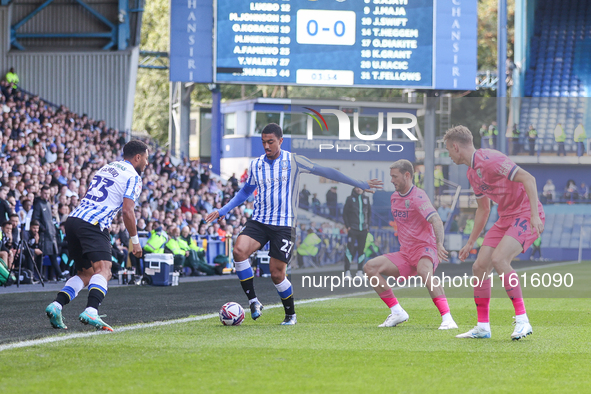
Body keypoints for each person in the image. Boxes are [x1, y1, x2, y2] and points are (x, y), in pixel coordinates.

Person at [205, 123, 382, 325]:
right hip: (260, 221)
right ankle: (254, 301)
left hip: (284, 225)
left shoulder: (294, 161)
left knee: (276, 273)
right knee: (238, 251)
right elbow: (245, 192)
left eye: (270, 142)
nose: (266, 146)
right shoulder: (256, 165)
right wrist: (222, 210)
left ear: (280, 141)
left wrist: (359, 183)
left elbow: (326, 171)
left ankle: (291, 315)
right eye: (263, 142)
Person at [444, 125, 544, 340]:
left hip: (526, 213)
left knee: (499, 259)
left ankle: (523, 321)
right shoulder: (472, 173)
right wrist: (471, 242)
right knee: (479, 266)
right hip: (506, 217)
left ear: (455, 147)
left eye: (448, 150)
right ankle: (482, 327)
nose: (449, 155)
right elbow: (484, 209)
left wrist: (535, 215)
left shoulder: (490, 159)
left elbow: (529, 178)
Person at [45, 140, 147, 331]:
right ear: (138, 157)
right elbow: (127, 211)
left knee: (85, 274)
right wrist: (135, 241)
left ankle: (56, 305)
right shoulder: (133, 176)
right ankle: (91, 310)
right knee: (104, 271)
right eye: (146, 159)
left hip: (74, 219)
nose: (147, 164)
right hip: (94, 223)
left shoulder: (106, 168)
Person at [363, 160, 457, 329]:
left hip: (425, 248)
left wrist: (439, 244)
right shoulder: (393, 198)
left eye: (394, 176)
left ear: (407, 175)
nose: (391, 180)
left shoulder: (418, 196)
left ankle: (448, 318)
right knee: (370, 267)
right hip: (406, 253)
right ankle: (397, 312)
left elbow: (435, 219)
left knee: (424, 271)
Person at [33, 186, 65, 281]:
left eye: (48, 193)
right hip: (43, 234)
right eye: (45, 193)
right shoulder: (38, 204)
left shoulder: (47, 203)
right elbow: (35, 219)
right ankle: (40, 275)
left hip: (51, 234)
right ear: (41, 193)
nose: (46, 195)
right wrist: (43, 229)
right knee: (41, 255)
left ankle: (58, 275)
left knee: (53, 255)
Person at [342, 187, 371, 277]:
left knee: (361, 250)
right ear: (354, 188)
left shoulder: (366, 199)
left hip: (363, 229)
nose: (359, 189)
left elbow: (369, 213)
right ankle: (347, 271)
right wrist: (348, 226)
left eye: (360, 187)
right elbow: (345, 213)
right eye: (357, 187)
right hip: (353, 229)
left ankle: (359, 271)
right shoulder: (350, 199)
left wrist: (368, 226)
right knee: (350, 249)